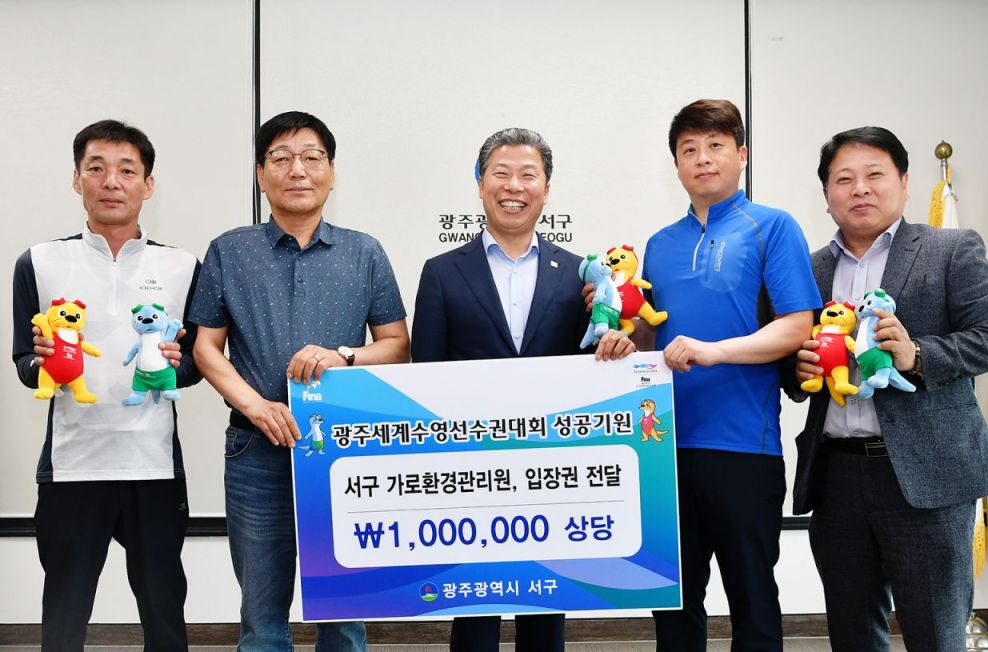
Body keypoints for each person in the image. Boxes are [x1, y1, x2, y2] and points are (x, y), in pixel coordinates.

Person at [190, 111, 409, 651]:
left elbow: (397, 346)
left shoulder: (365, 251)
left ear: (331, 172)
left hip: (344, 447)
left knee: (345, 611)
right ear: (261, 175)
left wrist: (344, 356)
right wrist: (255, 405)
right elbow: (205, 347)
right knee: (262, 617)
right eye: (281, 159)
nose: (297, 170)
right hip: (254, 449)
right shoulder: (229, 250)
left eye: (312, 158)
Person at [411, 127, 635, 652]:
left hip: (550, 475)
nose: (514, 186)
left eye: (528, 175)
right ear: (480, 183)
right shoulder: (441, 273)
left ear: (546, 189)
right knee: (474, 614)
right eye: (501, 173)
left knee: (545, 612)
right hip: (468, 474)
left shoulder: (579, 274)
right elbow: (425, 374)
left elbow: (589, 368)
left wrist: (616, 350)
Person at [789, 126, 988, 651]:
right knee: (852, 634)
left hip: (928, 475)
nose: (860, 189)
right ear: (826, 194)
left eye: (875, 175)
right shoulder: (810, 269)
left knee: (935, 634)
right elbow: (789, 364)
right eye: (844, 179)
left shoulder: (950, 249)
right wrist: (795, 371)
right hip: (837, 477)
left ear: (904, 182)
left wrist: (917, 355)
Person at [12, 119, 201, 651]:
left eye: (126, 170)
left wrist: (178, 364)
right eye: (96, 168)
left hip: (154, 466)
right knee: (64, 616)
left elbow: (195, 363)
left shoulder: (182, 265)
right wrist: (42, 367)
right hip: (72, 466)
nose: (111, 181)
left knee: (164, 613)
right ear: (77, 180)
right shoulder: (39, 261)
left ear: (148, 184)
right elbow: (23, 359)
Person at [639, 99, 820, 651]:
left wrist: (715, 352)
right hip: (663, 447)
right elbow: (652, 338)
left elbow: (797, 326)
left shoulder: (772, 226)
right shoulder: (658, 244)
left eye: (716, 145)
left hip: (744, 446)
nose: (702, 158)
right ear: (676, 164)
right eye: (689, 149)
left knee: (753, 602)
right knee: (673, 606)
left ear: (741, 155)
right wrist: (626, 339)